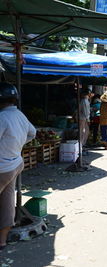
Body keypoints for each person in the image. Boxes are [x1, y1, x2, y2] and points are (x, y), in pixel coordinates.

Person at [0, 83, 36, 251]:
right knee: (7, 201)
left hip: (2, 167)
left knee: (7, 201)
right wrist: (18, 143)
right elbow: (32, 133)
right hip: (15, 164)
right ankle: (2, 241)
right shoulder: (19, 115)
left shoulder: (2, 117)